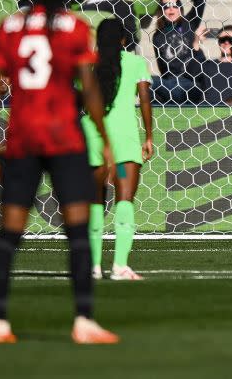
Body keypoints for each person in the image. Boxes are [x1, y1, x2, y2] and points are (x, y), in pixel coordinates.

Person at [0, 0, 118, 344]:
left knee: (10, 232)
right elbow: (90, 88)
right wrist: (104, 138)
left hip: (22, 138)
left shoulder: (8, 26)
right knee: (77, 231)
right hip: (64, 138)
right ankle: (83, 321)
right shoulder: (76, 27)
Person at [82, 19, 153, 280]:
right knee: (124, 200)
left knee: (95, 203)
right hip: (123, 140)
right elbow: (144, 98)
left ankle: (94, 267)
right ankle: (120, 266)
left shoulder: (88, 64)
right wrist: (149, 136)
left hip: (93, 138)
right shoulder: (136, 63)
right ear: (124, 40)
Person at [151, 0, 205, 104]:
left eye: (175, 6)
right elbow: (163, 67)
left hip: (190, 82)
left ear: (180, 9)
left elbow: (200, 0)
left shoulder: (190, 23)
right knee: (147, 82)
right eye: (166, 6)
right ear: (161, 11)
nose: (171, 9)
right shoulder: (158, 36)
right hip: (170, 83)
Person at [187, 24, 232, 105]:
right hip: (210, 113)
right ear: (218, 42)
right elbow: (191, 72)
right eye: (223, 39)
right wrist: (196, 43)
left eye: (231, 40)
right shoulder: (209, 65)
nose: (226, 42)